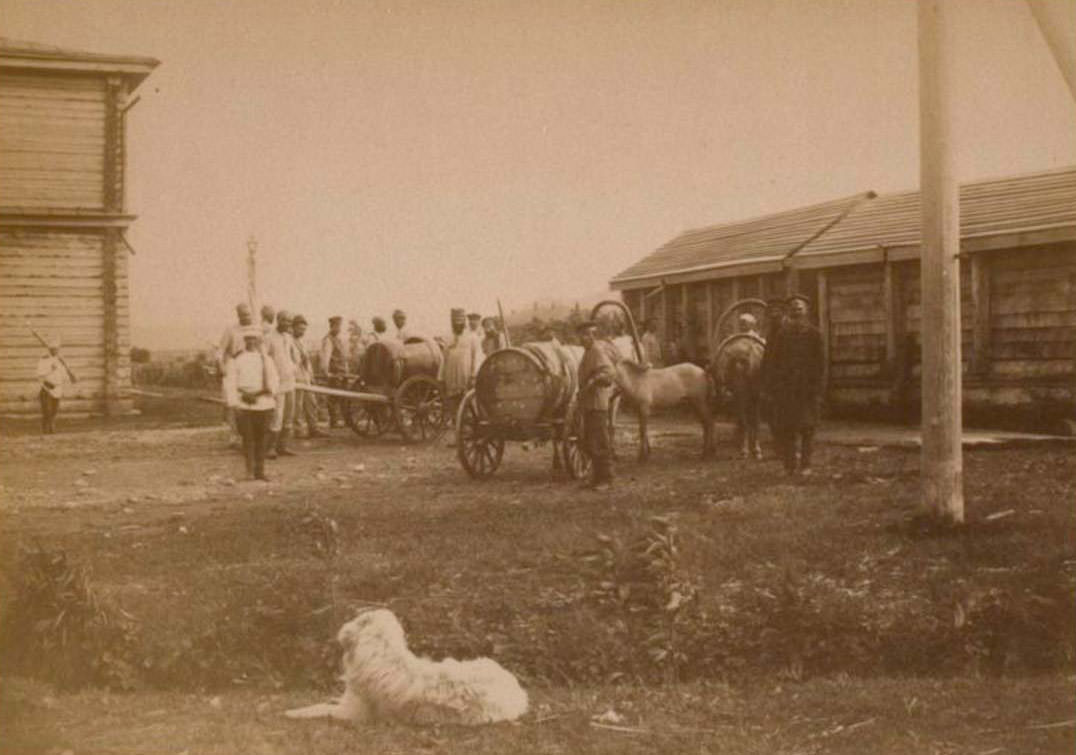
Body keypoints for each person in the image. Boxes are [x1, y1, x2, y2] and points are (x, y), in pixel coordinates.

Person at [763, 294, 825, 476]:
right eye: (793, 309)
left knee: (808, 428)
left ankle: (806, 465)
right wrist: (772, 386)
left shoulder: (814, 333)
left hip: (807, 389)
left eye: (799, 308)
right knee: (787, 428)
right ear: (788, 313)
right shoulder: (782, 334)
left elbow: (821, 364)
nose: (796, 311)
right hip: (786, 389)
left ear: (806, 311)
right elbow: (772, 361)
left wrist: (818, 389)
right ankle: (789, 465)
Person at [224, 327, 280, 481]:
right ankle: (249, 471)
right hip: (244, 403)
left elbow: (274, 380)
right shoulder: (237, 359)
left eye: (254, 339)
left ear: (258, 341)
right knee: (248, 438)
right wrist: (234, 403)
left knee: (262, 438)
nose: (251, 342)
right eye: (248, 339)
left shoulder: (266, 359)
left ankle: (260, 470)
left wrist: (271, 392)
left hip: (263, 403)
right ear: (244, 341)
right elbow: (231, 382)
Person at [577, 320, 616, 490]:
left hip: (598, 404)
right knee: (590, 441)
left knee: (600, 442)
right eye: (581, 335)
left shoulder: (597, 351)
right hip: (589, 404)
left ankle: (606, 480)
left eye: (586, 335)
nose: (582, 338)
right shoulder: (588, 353)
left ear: (592, 336)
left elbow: (609, 372)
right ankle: (596, 477)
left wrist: (595, 379)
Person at [218, 303, 254, 445]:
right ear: (238, 315)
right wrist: (222, 366)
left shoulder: (255, 329)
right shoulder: (231, 330)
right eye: (243, 315)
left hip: (251, 368)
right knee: (233, 403)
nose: (247, 317)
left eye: (249, 314)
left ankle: (249, 434)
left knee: (251, 401)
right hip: (234, 367)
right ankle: (234, 435)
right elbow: (220, 351)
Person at [266, 310, 300, 458]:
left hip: (290, 382)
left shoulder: (289, 337)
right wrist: (270, 378)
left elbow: (296, 356)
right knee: (277, 415)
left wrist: (294, 367)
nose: (288, 324)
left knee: (289, 414)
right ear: (278, 320)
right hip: (277, 383)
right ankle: (270, 448)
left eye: (290, 321)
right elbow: (264, 359)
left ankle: (283, 446)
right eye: (285, 321)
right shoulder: (269, 338)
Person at [438, 308, 482, 419]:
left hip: (466, 376)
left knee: (468, 403)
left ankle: (469, 425)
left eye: (460, 322)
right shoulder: (447, 338)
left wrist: (473, 375)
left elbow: (476, 358)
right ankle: (455, 425)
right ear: (452, 323)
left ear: (464, 322)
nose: (458, 325)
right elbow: (444, 358)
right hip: (451, 377)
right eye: (455, 322)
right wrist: (441, 377)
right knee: (453, 404)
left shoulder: (472, 337)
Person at [291, 314, 325, 438]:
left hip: (306, 377)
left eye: (304, 330)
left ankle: (313, 428)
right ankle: (298, 430)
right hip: (296, 377)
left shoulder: (302, 341)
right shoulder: (289, 341)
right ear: (293, 327)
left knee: (311, 402)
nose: (302, 332)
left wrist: (311, 376)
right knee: (298, 406)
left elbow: (307, 360)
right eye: (300, 329)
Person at [320, 315, 350, 428]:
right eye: (337, 326)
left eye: (340, 326)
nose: (339, 329)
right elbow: (325, 357)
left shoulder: (338, 339)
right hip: (334, 373)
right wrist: (325, 372)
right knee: (333, 398)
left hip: (342, 373)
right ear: (332, 326)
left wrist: (346, 370)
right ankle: (334, 421)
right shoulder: (328, 339)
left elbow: (343, 357)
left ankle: (347, 420)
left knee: (345, 397)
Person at [36, 336, 68, 434]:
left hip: (58, 388)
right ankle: (45, 429)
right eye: (53, 349)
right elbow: (39, 374)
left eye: (57, 349)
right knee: (47, 411)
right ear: (49, 349)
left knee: (54, 411)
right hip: (47, 388)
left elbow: (64, 373)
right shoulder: (43, 360)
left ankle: (51, 427)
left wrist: (66, 379)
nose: (55, 351)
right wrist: (51, 369)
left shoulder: (61, 360)